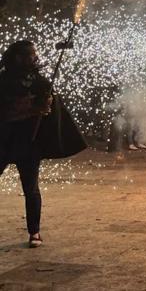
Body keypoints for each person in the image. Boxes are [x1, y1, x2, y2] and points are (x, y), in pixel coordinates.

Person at [0, 40, 87, 248]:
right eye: (29, 55)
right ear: (18, 58)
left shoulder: (39, 82)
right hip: (3, 139)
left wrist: (47, 104)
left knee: (31, 188)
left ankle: (34, 232)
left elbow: (48, 108)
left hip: (28, 142)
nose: (34, 58)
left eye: (34, 54)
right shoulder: (3, 80)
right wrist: (26, 109)